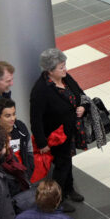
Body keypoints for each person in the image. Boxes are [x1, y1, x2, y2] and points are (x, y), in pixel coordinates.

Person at [30, 48, 87, 209]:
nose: (65, 70)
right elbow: (35, 119)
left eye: (65, 65)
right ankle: (58, 199)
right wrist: (42, 143)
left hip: (69, 132)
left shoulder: (65, 78)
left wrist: (83, 106)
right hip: (55, 136)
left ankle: (68, 189)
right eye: (61, 67)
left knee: (67, 161)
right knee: (61, 166)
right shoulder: (40, 90)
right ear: (50, 70)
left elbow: (80, 94)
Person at [0, 98, 34, 192]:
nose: (12, 118)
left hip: (23, 174)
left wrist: (29, 167)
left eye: (14, 114)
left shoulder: (21, 127)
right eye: (8, 116)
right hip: (6, 181)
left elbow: (29, 148)